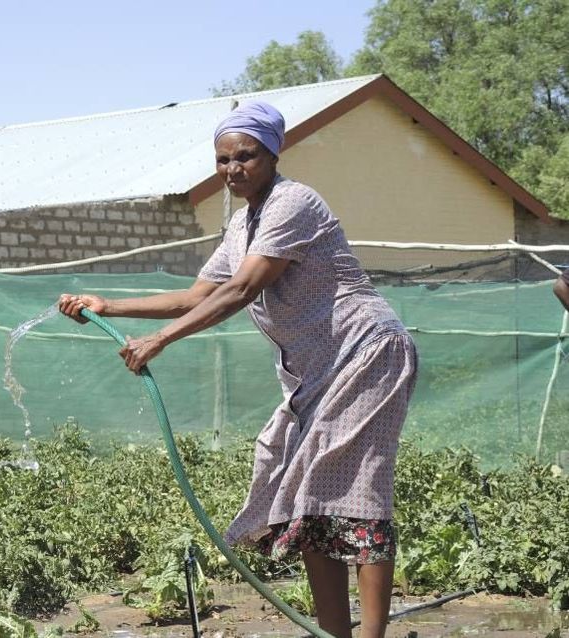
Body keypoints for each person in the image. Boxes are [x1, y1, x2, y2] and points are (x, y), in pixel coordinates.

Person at [58, 101, 417, 638]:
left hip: (365, 353)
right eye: (223, 160)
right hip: (316, 372)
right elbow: (197, 295)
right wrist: (109, 306)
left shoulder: (294, 203)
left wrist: (161, 340)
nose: (232, 169)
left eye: (245, 156)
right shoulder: (242, 225)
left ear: (273, 153)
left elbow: (242, 290)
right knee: (304, 499)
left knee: (355, 492)